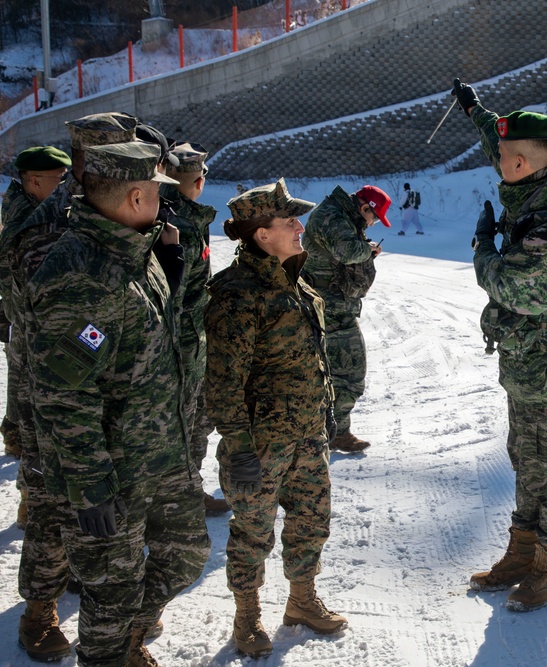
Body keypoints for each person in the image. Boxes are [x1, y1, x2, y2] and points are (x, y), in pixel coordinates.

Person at [24, 141, 210, 667]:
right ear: (135, 197)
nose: (164, 201)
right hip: (110, 472)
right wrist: (90, 487)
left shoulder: (135, 250)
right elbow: (64, 393)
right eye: (157, 191)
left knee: (187, 552)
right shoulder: (81, 274)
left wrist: (170, 273)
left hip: (158, 453)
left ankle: (127, 635)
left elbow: (145, 343)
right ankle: (111, 651)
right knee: (111, 595)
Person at [452, 78, 547, 612]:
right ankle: (521, 553)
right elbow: (500, 141)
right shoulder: (537, 176)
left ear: (524, 162)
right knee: (525, 458)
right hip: (527, 360)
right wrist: (474, 110)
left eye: (506, 158)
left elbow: (518, 290)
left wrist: (483, 248)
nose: (498, 163)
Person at [0, 114, 138, 664]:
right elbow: (44, 324)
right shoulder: (47, 227)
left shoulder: (107, 212)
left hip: (109, 386)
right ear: (89, 164)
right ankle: (38, 611)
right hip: (55, 388)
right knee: (54, 506)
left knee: (103, 504)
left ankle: (92, 586)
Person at [205, 179, 346, 659]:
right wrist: (239, 447)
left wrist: (326, 414)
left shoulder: (294, 280)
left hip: (307, 433)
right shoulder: (237, 294)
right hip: (261, 444)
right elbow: (223, 380)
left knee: (311, 520)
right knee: (252, 532)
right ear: (262, 234)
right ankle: (247, 615)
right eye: (290, 221)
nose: (300, 227)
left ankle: (302, 601)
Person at [0, 146, 70, 536]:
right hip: (30, 333)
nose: (64, 186)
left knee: (28, 415)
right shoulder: (27, 219)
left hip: (28, 328)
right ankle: (30, 499)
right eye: (58, 180)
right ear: (33, 180)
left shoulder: (29, 207)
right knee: (34, 422)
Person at [161, 141, 230, 514]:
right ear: (199, 181)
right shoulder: (182, 223)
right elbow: (177, 295)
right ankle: (182, 497)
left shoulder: (170, 212)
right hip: (184, 345)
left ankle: (181, 491)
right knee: (188, 422)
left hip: (184, 341)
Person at [300, 183, 389, 453]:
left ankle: (335, 432)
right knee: (345, 373)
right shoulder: (332, 216)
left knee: (344, 374)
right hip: (324, 309)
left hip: (336, 308)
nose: (372, 224)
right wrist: (367, 249)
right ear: (364, 208)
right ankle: (324, 434)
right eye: (374, 218)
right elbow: (348, 252)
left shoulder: (342, 216)